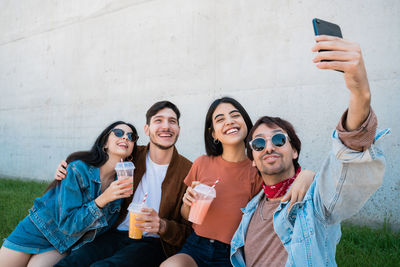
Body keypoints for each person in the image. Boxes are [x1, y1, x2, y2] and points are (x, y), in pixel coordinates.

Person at [230, 35, 388, 267]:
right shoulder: (251, 210)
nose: (269, 147)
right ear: (253, 159)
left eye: (278, 139)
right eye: (259, 144)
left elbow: (345, 165)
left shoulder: (313, 200)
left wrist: (360, 94)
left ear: (294, 151)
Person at [161, 97, 315, 267]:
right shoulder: (201, 163)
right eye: (220, 119)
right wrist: (188, 203)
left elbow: (285, 180)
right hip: (196, 245)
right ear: (213, 134)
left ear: (246, 124)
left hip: (232, 251)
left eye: (235, 115)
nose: (229, 121)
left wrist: (308, 175)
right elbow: (187, 215)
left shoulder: (259, 168)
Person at [54, 101, 193, 267]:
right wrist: (68, 163)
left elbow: (189, 233)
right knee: (72, 262)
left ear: (178, 129)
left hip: (152, 243)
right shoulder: (131, 155)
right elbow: (99, 159)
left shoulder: (188, 171)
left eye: (172, 121)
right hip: (114, 233)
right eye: (158, 120)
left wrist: (163, 225)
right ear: (147, 129)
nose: (166, 126)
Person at [0, 121, 138, 267]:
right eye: (118, 133)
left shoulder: (123, 185)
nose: (125, 138)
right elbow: (68, 224)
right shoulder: (78, 169)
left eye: (131, 136)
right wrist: (103, 199)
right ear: (104, 144)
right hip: (39, 229)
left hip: (63, 244)